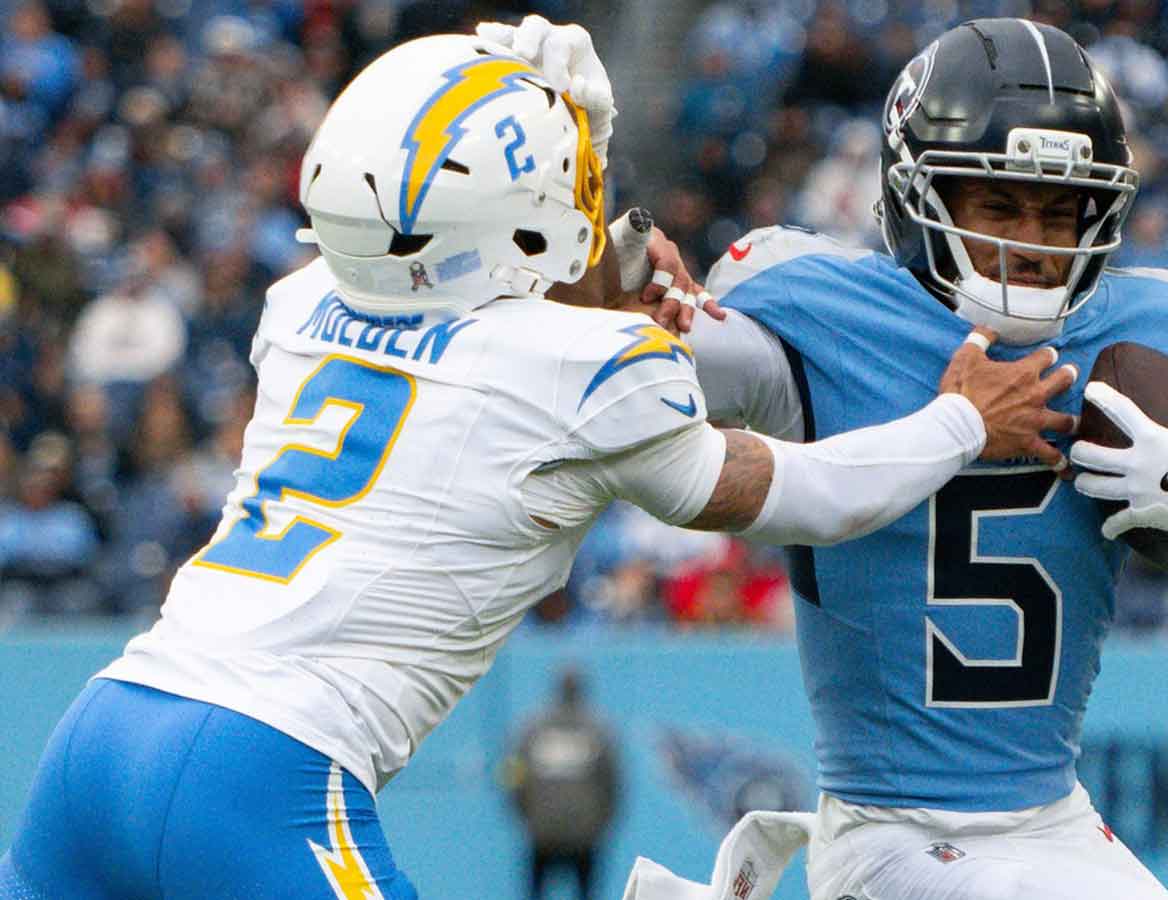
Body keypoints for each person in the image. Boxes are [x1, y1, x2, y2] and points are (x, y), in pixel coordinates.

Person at [0, 30, 1078, 899]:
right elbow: (800, 492)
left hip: (103, 731)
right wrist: (956, 426)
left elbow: (504, 289)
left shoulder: (300, 306)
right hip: (267, 773)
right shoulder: (587, 370)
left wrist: (574, 157)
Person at [550, 18, 1168, 900]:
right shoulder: (824, 316)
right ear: (920, 200)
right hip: (890, 829)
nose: (1033, 240)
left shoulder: (1145, 341)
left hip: (1052, 821)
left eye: (1060, 210)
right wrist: (578, 214)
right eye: (999, 205)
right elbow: (591, 367)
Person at [503, 669, 620, 900]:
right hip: (584, 836)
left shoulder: (531, 729)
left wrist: (526, 820)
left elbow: (513, 776)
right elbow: (612, 785)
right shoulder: (599, 730)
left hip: (542, 833)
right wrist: (600, 826)